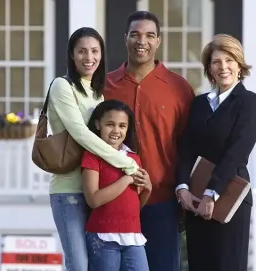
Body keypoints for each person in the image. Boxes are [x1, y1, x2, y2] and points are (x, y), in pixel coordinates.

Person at [103, 10, 195, 271]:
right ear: (125, 38)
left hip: (162, 203)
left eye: (149, 35)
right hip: (113, 202)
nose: (141, 41)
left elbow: (188, 147)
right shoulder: (106, 85)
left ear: (158, 41)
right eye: (135, 34)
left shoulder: (178, 88)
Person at [47, 27, 141, 271]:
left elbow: (107, 138)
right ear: (71, 55)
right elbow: (81, 134)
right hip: (68, 190)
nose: (89, 57)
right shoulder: (62, 86)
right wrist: (128, 163)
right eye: (82, 51)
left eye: (95, 51)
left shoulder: (97, 93)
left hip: (97, 191)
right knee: (78, 264)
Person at [175, 34, 256, 271]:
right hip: (195, 201)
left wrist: (210, 194)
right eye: (216, 62)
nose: (223, 67)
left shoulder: (249, 102)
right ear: (209, 68)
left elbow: (236, 153)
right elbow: (187, 148)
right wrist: (182, 188)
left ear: (239, 65)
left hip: (228, 201)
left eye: (229, 60)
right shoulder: (199, 103)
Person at [82, 99, 152, 271]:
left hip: (133, 234)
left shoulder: (133, 158)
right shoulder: (92, 156)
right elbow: (93, 200)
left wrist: (148, 188)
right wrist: (127, 179)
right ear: (98, 124)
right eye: (110, 124)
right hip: (103, 236)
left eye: (122, 126)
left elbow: (135, 204)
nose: (116, 131)